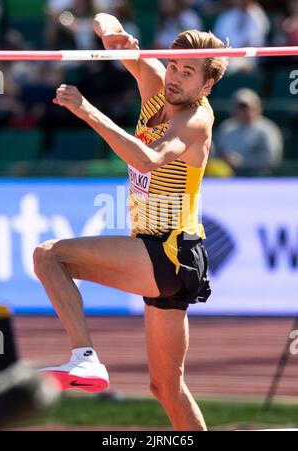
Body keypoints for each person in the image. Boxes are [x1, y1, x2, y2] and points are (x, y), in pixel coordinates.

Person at [34, 13, 228, 431]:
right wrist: (108, 28)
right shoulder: (158, 84)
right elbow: (113, 33)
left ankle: (84, 358)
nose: (175, 77)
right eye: (173, 65)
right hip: (163, 253)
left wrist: (86, 110)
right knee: (167, 388)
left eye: (188, 72)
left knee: (50, 257)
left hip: (171, 252)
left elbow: (146, 159)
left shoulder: (195, 119)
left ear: (207, 84)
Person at [215, 88, 283, 174]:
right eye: (240, 107)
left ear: (258, 107)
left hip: (258, 178)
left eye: (246, 107)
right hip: (228, 178)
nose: (244, 111)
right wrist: (224, 159)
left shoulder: (268, 129)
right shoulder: (226, 128)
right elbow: (216, 154)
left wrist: (242, 162)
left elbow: (272, 159)